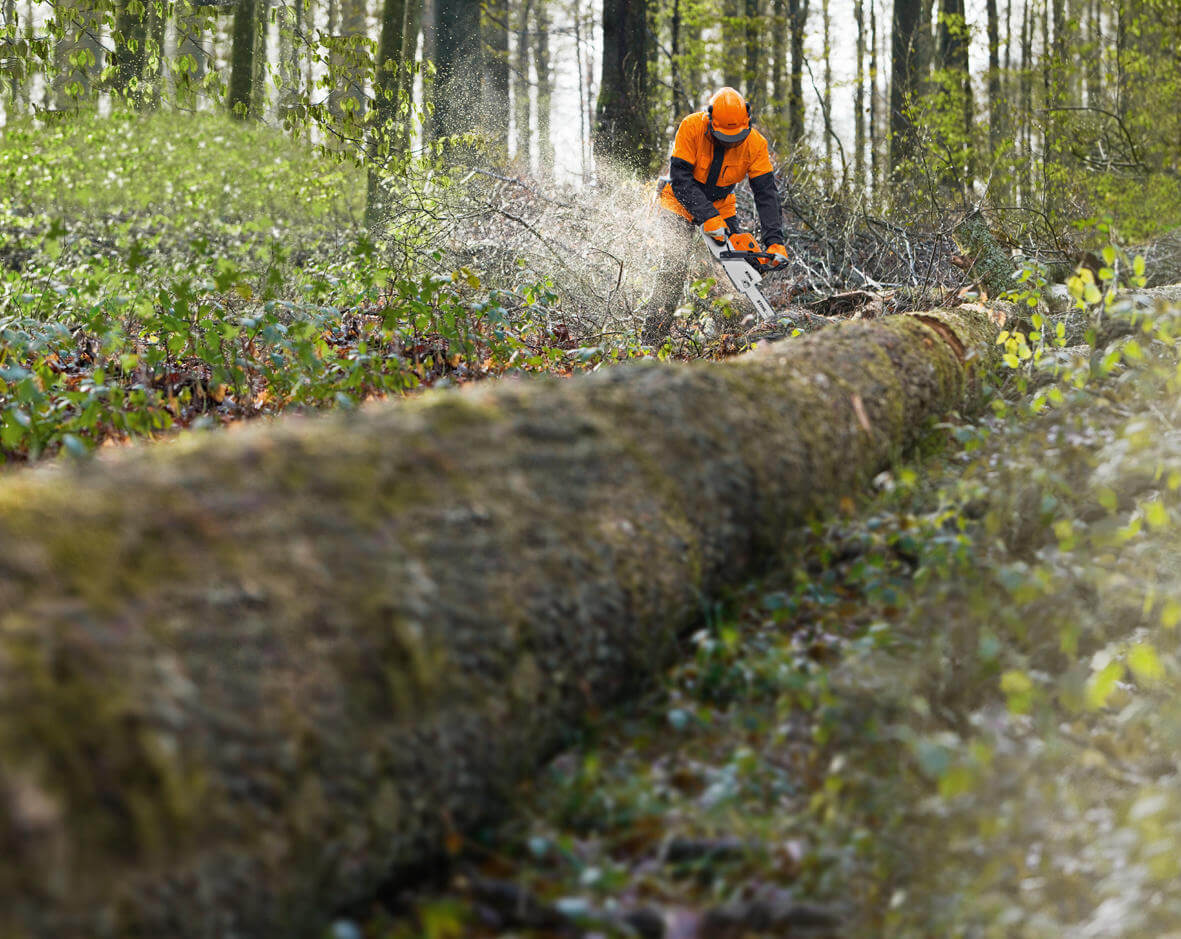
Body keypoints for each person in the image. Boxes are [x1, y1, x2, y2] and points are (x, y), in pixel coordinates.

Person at [643, 87, 788, 343]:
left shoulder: (756, 144)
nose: (730, 142)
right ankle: (651, 339)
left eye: (736, 138)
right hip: (678, 201)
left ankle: (732, 336)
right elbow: (680, 180)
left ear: (747, 123)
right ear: (710, 121)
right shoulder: (691, 127)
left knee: (741, 266)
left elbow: (766, 194)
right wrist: (706, 217)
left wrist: (774, 241)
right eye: (724, 137)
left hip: (721, 204)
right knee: (673, 268)